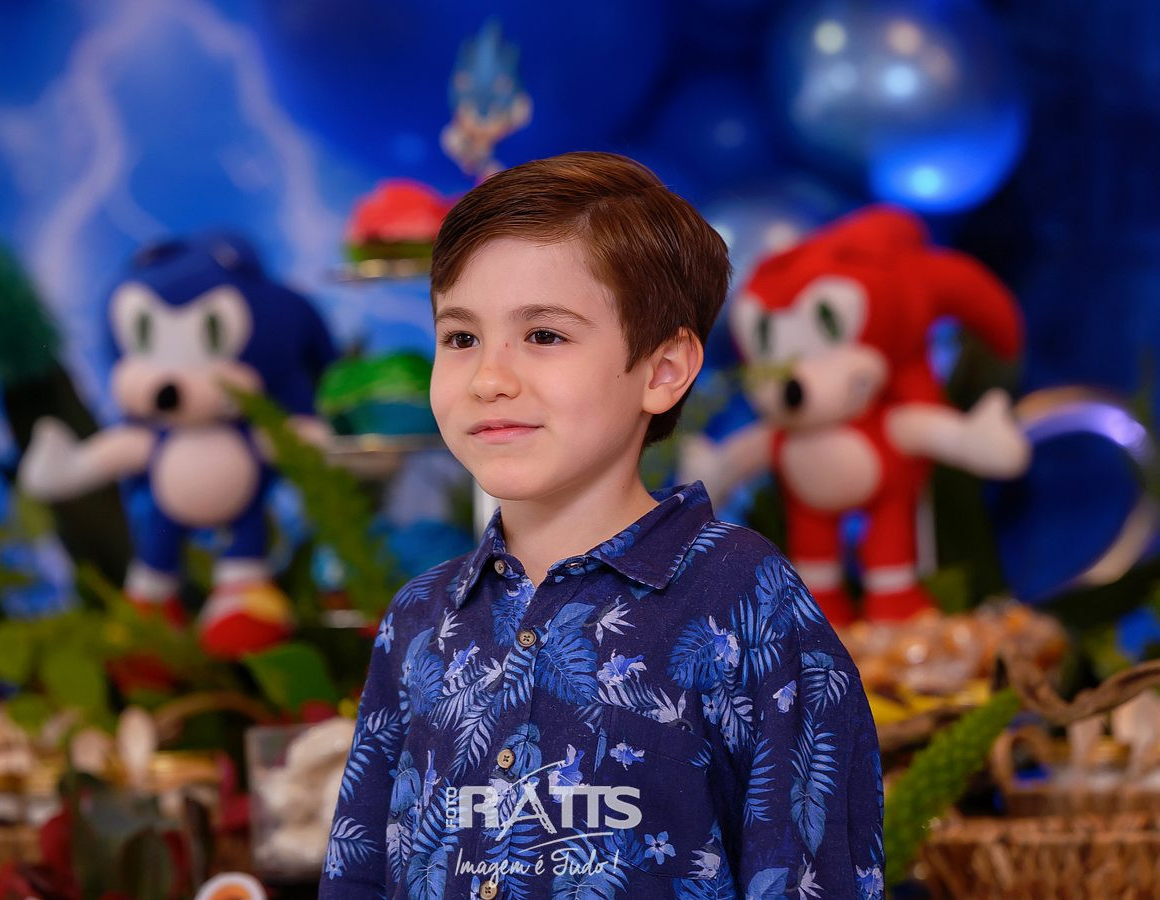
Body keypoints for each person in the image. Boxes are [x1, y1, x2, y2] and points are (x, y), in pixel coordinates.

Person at [318, 152, 884, 900]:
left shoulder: (742, 600)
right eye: (460, 338)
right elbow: (357, 871)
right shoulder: (419, 619)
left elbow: (811, 874)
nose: (489, 378)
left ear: (663, 370)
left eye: (544, 335)